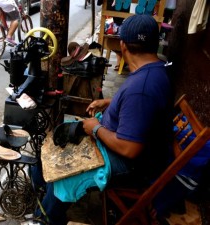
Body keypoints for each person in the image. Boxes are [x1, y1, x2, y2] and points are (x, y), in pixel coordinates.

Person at [32, 14, 173, 225]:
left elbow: (129, 148)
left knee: (60, 173)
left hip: (132, 165)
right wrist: (109, 102)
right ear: (154, 44)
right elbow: (137, 105)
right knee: (48, 155)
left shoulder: (141, 89)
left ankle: (47, 217)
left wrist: (96, 128)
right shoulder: (156, 68)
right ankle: (45, 199)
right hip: (138, 151)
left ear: (123, 45)